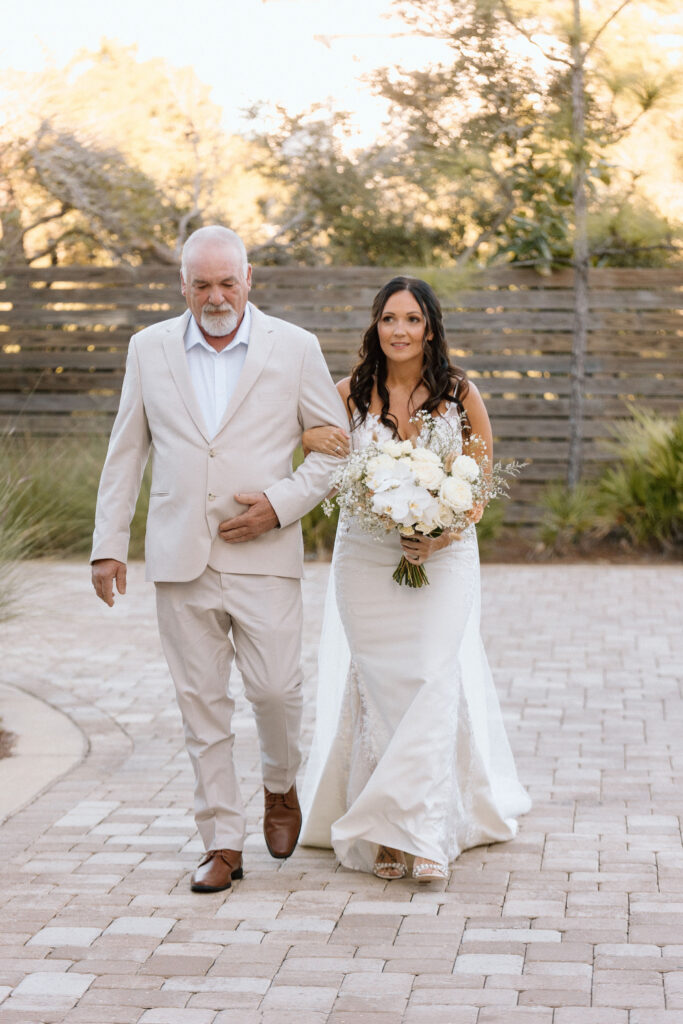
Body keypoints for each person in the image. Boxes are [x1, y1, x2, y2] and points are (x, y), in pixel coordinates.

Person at [91, 226, 348, 893]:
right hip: (179, 559)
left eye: (226, 282)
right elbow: (126, 452)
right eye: (201, 284)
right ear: (182, 285)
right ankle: (221, 843)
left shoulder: (294, 348)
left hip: (263, 552)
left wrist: (280, 503)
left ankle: (280, 784)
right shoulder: (148, 349)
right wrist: (107, 546)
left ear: (249, 279)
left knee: (274, 691)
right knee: (200, 706)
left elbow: (334, 448)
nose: (215, 296)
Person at [299, 276, 531, 882]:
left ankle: (423, 831)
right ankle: (388, 836)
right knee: (380, 684)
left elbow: (478, 487)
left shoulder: (460, 394)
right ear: (375, 327)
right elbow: (309, 446)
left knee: (430, 674)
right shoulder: (348, 393)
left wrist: (442, 531)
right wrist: (307, 433)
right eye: (387, 319)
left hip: (447, 556)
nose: (398, 330)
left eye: (410, 319)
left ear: (430, 326)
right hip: (366, 558)